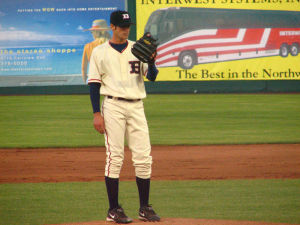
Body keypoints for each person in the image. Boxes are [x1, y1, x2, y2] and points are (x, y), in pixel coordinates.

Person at [87, 10, 160, 224]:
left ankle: (144, 208)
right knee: (115, 157)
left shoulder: (138, 49)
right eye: (121, 26)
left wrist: (153, 62)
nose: (126, 29)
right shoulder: (99, 52)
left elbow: (152, 77)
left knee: (143, 157)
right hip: (112, 106)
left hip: (137, 106)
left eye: (128, 26)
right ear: (112, 27)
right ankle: (113, 209)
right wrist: (96, 114)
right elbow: (93, 84)